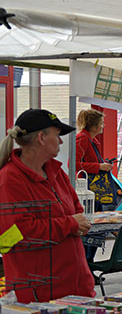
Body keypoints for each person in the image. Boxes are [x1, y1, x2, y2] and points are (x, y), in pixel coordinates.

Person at [0, 109, 94, 303]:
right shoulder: (9, 180)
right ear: (41, 138)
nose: (61, 142)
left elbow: (77, 211)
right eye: (57, 135)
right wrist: (70, 224)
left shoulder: (56, 172)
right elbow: (16, 235)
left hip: (76, 286)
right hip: (40, 294)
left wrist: (75, 223)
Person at [75, 109, 114, 211]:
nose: (103, 126)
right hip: (86, 187)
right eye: (101, 123)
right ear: (93, 126)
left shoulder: (91, 140)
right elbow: (73, 164)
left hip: (92, 187)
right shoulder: (83, 139)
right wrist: (99, 166)